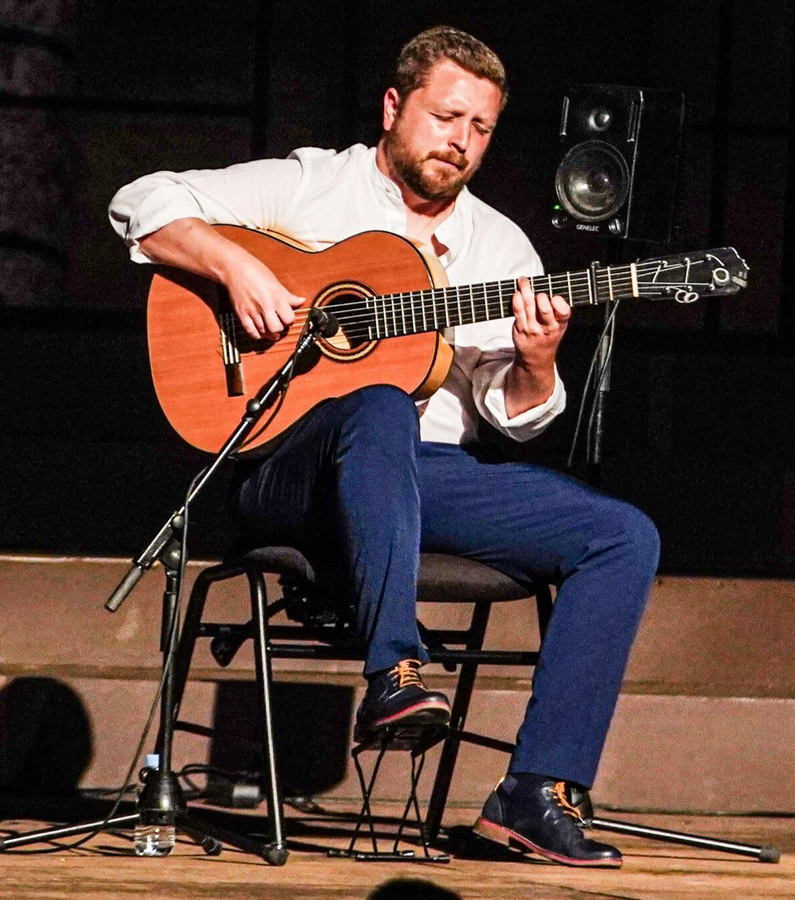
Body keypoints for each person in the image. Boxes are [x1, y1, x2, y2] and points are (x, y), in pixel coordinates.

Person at [108, 25, 658, 868]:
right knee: (379, 403)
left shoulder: (500, 249)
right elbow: (141, 201)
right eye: (445, 117)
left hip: (424, 477)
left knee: (624, 536)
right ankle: (394, 673)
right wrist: (234, 266)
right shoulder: (310, 187)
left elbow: (513, 417)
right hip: (286, 467)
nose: (460, 143)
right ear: (395, 107)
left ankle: (535, 792)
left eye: (480, 129)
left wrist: (539, 362)